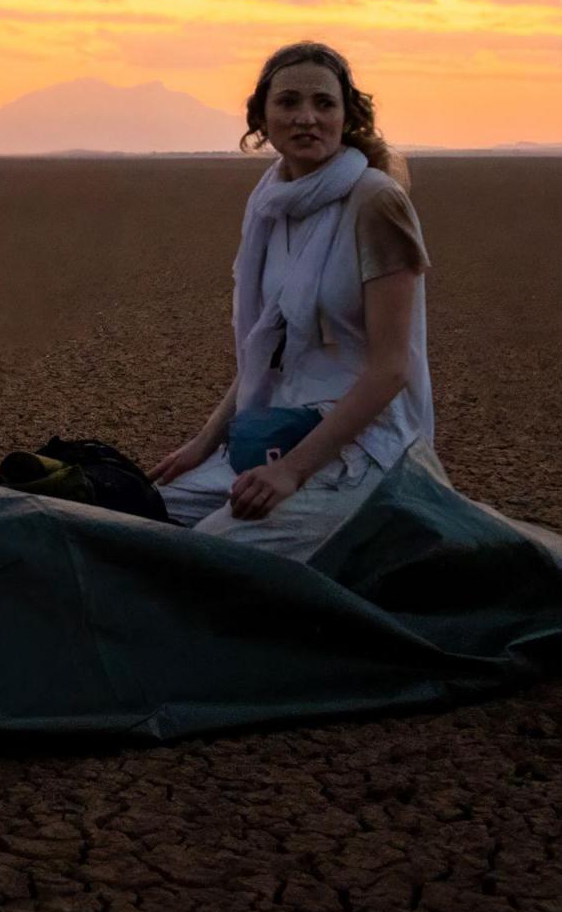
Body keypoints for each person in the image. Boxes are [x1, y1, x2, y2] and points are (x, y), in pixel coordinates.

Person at [144, 41, 433, 559]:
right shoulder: (271, 205)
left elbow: (391, 369)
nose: (307, 118)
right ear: (262, 116)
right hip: (282, 428)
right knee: (145, 512)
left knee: (213, 550)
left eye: (324, 104)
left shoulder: (374, 201)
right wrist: (204, 444)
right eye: (289, 103)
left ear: (348, 115)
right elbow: (267, 350)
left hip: (359, 447)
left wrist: (292, 471)